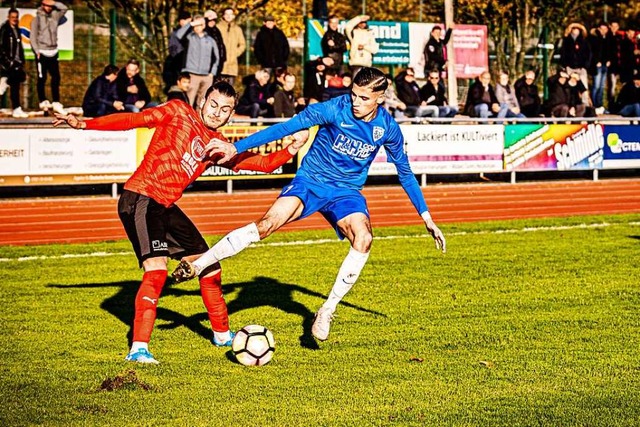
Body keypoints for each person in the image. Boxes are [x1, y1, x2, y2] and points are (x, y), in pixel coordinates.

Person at [172, 67, 446, 343]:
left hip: (345, 193)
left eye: (363, 98)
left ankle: (327, 309)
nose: (355, 102)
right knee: (266, 225)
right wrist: (237, 147)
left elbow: (405, 172)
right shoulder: (333, 109)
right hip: (310, 182)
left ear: (379, 98)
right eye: (353, 95)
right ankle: (198, 265)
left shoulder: (387, 128)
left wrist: (426, 217)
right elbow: (286, 127)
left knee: (363, 238)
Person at [52, 80, 308, 364]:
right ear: (202, 101)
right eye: (213, 105)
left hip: (165, 205)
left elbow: (261, 164)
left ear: (231, 114)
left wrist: (291, 149)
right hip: (141, 197)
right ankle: (138, 349)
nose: (216, 113)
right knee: (157, 270)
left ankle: (222, 334)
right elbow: (132, 119)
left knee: (209, 265)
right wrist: (84, 124)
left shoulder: (217, 147)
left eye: (224, 109)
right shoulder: (178, 112)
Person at [30, 0, 68, 115]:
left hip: (53, 51)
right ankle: (43, 101)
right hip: (42, 51)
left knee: (56, 77)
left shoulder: (55, 15)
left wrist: (54, 2)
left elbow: (64, 8)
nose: (49, 8)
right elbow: (33, 36)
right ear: (42, 5)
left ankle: (56, 101)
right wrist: (36, 50)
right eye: (47, 5)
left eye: (50, 6)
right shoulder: (37, 19)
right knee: (42, 78)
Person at [176, 15, 220, 107]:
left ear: (203, 25)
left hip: (207, 76)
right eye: (195, 25)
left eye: (199, 24)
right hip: (192, 74)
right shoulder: (189, 37)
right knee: (188, 101)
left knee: (202, 103)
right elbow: (178, 35)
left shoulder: (210, 40)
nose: (196, 27)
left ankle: (199, 121)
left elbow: (216, 57)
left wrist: (212, 73)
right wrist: (190, 23)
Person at [0, 8, 28, 118]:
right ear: (8, 18)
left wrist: (21, 60)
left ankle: (16, 108)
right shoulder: (4, 30)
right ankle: (16, 108)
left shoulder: (16, 30)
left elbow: (19, 47)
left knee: (13, 85)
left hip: (16, 63)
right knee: (11, 86)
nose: (14, 19)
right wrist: (8, 62)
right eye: (12, 17)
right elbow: (1, 48)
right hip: (9, 64)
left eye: (16, 17)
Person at [559, 22, 591, 104]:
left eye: (577, 29)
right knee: (570, 86)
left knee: (584, 87)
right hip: (570, 67)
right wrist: (565, 65)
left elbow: (588, 54)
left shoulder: (584, 41)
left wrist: (585, 66)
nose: (576, 31)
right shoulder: (566, 41)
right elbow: (563, 53)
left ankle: (585, 105)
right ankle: (570, 104)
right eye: (574, 29)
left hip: (581, 67)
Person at [162, 11, 191, 94]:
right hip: (177, 63)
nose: (183, 22)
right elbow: (173, 50)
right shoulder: (175, 34)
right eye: (182, 20)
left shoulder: (193, 34)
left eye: (186, 20)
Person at [588, 23, 614, 109]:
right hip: (597, 65)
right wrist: (596, 61)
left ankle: (599, 105)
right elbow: (592, 51)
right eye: (602, 29)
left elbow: (609, 50)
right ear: (598, 29)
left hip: (605, 64)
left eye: (605, 29)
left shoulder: (608, 38)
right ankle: (594, 105)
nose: (603, 31)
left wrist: (609, 60)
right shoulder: (594, 38)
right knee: (596, 85)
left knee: (602, 86)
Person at [218, 8, 246, 86]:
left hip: (232, 65)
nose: (228, 16)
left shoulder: (237, 29)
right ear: (223, 15)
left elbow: (242, 44)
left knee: (230, 90)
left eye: (230, 14)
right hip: (220, 65)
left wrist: (235, 53)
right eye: (226, 14)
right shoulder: (218, 28)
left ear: (233, 16)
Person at [204, 10, 226, 78]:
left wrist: (222, 59)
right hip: (206, 64)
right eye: (210, 20)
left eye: (214, 20)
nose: (212, 22)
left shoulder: (216, 31)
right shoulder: (203, 31)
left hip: (217, 63)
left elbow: (221, 45)